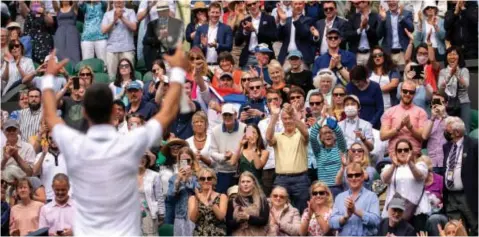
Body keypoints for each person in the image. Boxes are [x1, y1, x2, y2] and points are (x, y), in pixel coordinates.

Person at [40, 45, 188, 235]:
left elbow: (50, 116)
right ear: (113, 111)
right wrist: (176, 72)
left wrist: (48, 77)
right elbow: (167, 112)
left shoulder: (73, 143)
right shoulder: (130, 143)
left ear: (84, 112)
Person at [266, 102, 310, 214]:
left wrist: (295, 117)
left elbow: (306, 133)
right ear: (282, 120)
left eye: (290, 118)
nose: (288, 121)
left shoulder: (300, 134)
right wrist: (274, 116)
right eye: (285, 118)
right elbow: (268, 138)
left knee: (302, 211)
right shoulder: (277, 136)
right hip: (281, 179)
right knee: (278, 211)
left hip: (301, 179)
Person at [380, 139, 431, 231]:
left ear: (410, 151)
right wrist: (394, 165)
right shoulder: (389, 167)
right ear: (395, 153)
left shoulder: (420, 165)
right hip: (395, 210)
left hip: (416, 209)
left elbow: (420, 176)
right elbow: (384, 179)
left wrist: (410, 162)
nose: (403, 152)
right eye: (399, 150)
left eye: (406, 150)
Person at [442, 116, 478, 236]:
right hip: (451, 197)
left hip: (468, 195)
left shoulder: (473, 145)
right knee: (456, 231)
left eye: (447, 131)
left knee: (475, 226)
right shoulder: (447, 147)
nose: (445, 133)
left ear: (457, 132)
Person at [381, 79, 428, 158]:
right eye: (405, 91)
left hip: (414, 154)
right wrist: (399, 127)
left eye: (411, 92)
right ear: (400, 91)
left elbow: (422, 136)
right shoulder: (390, 111)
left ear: (414, 94)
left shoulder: (421, 112)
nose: (407, 94)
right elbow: (383, 136)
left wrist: (410, 127)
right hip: (394, 154)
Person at [329, 162, 380, 236]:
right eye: (350, 175)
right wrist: (345, 217)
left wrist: (355, 211)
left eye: (357, 175)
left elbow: (376, 221)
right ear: (347, 178)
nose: (353, 178)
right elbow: (332, 223)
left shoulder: (372, 196)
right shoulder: (339, 197)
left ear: (362, 177)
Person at [210, 103, 246, 194]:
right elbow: (212, 152)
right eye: (225, 115)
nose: (227, 117)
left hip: (241, 171)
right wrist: (224, 157)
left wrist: (234, 155)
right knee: (223, 198)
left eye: (230, 114)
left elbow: (248, 148)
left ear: (235, 115)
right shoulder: (215, 130)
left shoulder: (245, 128)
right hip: (222, 171)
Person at [309, 114, 347, 197]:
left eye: (330, 132)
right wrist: (322, 118)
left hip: (338, 187)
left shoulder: (340, 148)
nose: (327, 135)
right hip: (323, 190)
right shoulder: (318, 151)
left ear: (334, 135)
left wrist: (333, 124)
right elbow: (312, 137)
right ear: (321, 138)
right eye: (324, 133)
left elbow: (340, 135)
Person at [258, 89, 285, 196]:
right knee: (268, 199)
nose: (273, 102)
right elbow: (266, 142)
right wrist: (274, 118)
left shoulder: (288, 119)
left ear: (281, 101)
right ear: (267, 104)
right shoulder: (262, 123)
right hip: (269, 166)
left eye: (275, 99)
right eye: (270, 100)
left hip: (285, 165)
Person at [143, 1, 184, 71]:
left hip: (171, 55)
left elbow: (182, 39)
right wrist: (159, 38)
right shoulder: (152, 24)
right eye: (159, 11)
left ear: (168, 11)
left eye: (164, 11)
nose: (161, 13)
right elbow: (145, 40)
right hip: (156, 57)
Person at [167, 147, 199, 236]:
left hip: (195, 216)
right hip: (179, 216)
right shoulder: (174, 178)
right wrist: (178, 181)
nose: (186, 164)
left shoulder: (199, 177)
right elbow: (169, 197)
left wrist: (188, 180)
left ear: (192, 161)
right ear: (179, 162)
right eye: (183, 161)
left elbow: (199, 193)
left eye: (188, 160)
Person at [438, 46, 471, 133]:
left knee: (465, 130)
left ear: (459, 56)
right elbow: (440, 91)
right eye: (449, 54)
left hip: (463, 102)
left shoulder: (464, 70)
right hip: (448, 104)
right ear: (446, 57)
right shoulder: (442, 72)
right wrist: (449, 75)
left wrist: (457, 74)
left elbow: (466, 85)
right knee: (449, 131)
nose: (452, 56)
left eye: (454, 54)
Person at [235, 0, 277, 69]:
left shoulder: (269, 19)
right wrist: (245, 31)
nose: (252, 6)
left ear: (259, 3)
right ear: (247, 7)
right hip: (249, 57)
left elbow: (274, 37)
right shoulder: (244, 21)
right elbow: (237, 42)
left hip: (264, 57)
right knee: (246, 79)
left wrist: (255, 30)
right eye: (249, 5)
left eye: (254, 3)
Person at [226, 171, 269, 236]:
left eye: (248, 181)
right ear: (239, 184)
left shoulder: (262, 200)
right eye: (243, 182)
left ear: (254, 183)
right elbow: (228, 224)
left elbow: (264, 220)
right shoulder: (233, 201)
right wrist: (238, 220)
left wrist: (248, 217)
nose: (245, 184)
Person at [101, 0, 137, 77]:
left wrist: (122, 18)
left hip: (127, 49)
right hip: (112, 50)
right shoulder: (107, 14)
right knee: (112, 76)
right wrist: (114, 20)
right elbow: (103, 30)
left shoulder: (131, 12)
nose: (118, 1)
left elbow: (134, 27)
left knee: (129, 75)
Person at [188, 168, 228, 236]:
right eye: (202, 179)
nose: (206, 181)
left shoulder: (222, 196)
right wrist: (198, 200)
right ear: (199, 181)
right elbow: (193, 219)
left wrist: (210, 201)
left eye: (209, 178)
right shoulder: (193, 198)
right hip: (200, 233)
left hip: (218, 233)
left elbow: (221, 217)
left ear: (214, 180)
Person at [193, 2, 233, 69]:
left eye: (217, 12)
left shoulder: (226, 28)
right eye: (213, 12)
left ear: (220, 13)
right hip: (204, 66)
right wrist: (202, 45)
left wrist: (217, 45)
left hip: (221, 66)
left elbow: (229, 47)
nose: (215, 15)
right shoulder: (201, 28)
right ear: (208, 13)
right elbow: (194, 48)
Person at [277, 0, 315, 67]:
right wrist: (282, 21)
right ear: (291, 5)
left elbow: (304, 34)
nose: (298, 6)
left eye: (300, 4)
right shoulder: (287, 20)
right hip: (286, 57)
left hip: (302, 58)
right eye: (296, 4)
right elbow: (279, 37)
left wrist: (296, 20)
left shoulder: (308, 20)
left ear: (303, 5)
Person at [32, 131, 67, 203]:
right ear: (47, 140)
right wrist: (43, 155)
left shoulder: (68, 154)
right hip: (48, 198)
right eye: (50, 138)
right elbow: (35, 172)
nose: (53, 140)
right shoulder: (40, 155)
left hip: (67, 196)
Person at [376, 0, 414, 65]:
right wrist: (383, 20)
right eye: (389, 1)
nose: (391, 2)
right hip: (388, 54)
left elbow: (411, 29)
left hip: (403, 53)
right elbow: (378, 35)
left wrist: (401, 17)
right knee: (388, 74)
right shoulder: (383, 15)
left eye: (393, 0)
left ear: (398, 1)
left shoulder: (407, 13)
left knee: (404, 73)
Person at [346, 65, 383, 129]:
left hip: (372, 124)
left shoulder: (375, 87)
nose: (356, 84)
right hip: (354, 124)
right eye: (354, 82)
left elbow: (380, 108)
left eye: (358, 82)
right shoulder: (350, 86)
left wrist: (371, 123)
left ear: (364, 78)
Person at [344, 0, 380, 65]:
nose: (355, 5)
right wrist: (359, 30)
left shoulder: (375, 17)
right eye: (354, 4)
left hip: (370, 54)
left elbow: (377, 37)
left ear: (366, 2)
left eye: (357, 3)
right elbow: (347, 35)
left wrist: (367, 27)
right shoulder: (352, 17)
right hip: (356, 54)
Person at [138, 154, 165, 236]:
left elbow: (159, 196)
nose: (141, 159)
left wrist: (161, 214)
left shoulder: (154, 175)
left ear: (147, 160)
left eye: (144, 157)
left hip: (149, 214)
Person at [422, 92, 448, 175]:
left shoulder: (451, 119)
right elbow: (425, 136)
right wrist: (433, 118)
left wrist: (443, 115)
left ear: (446, 104)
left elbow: (452, 131)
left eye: (439, 102)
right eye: (434, 102)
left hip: (447, 161)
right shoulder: (428, 120)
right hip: (432, 162)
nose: (437, 105)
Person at [53, 1, 80, 65]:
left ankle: (74, 68)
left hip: (72, 32)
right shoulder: (58, 9)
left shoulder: (74, 7)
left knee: (73, 51)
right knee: (60, 51)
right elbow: (53, 2)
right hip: (60, 33)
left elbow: (76, 2)